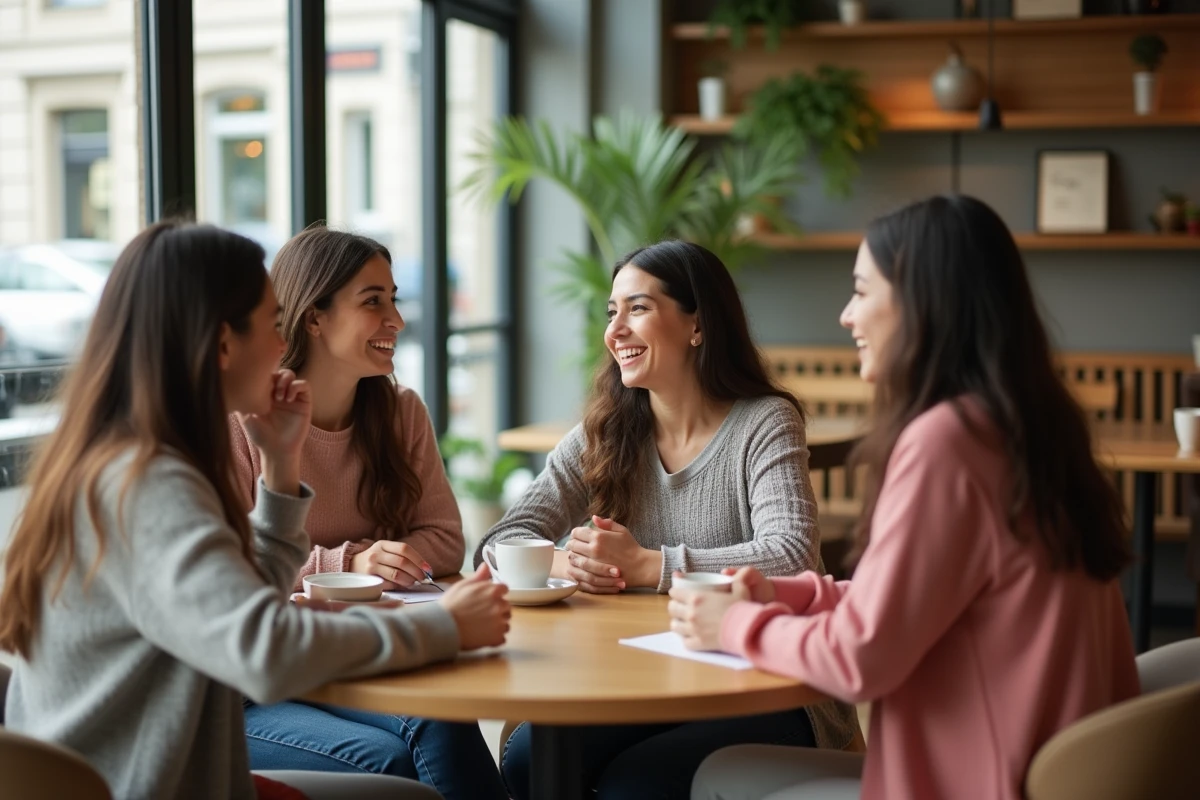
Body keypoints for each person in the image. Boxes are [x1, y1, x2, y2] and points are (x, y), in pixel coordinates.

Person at [0, 221, 510, 800]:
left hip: (167, 770)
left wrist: (280, 469)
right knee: (400, 781)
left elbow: (239, 601)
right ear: (223, 345)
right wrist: (442, 626)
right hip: (147, 785)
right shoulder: (151, 486)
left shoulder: (137, 459)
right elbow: (263, 650)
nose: (282, 343)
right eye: (272, 323)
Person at [674, 195, 1140, 800]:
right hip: (1042, 767)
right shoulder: (1030, 426)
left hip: (977, 781)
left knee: (715, 776)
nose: (846, 316)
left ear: (924, 301)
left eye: (861, 291)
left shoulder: (947, 442)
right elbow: (915, 600)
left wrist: (736, 624)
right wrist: (787, 594)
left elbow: (860, 658)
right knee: (726, 767)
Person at [477, 239, 860, 800]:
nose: (616, 330)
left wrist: (646, 565)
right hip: (638, 677)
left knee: (633, 785)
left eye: (638, 308)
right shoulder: (605, 431)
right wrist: (573, 563)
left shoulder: (764, 421)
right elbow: (498, 540)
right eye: (612, 312)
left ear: (697, 325)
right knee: (528, 762)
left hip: (765, 683)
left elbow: (791, 554)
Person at [230, 225, 508, 800]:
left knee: (439, 716)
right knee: (388, 758)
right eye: (373, 302)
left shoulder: (400, 412)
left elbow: (444, 537)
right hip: (253, 684)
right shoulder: (243, 425)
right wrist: (352, 563)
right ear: (314, 317)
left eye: (394, 300)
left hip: (350, 649)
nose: (397, 320)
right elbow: (236, 573)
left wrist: (390, 563)